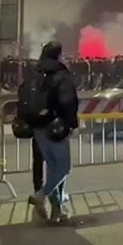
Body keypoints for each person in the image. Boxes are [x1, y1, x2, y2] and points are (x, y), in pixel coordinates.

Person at [23, 41, 79, 223]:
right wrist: (72, 125)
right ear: (59, 55)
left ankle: (56, 210)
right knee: (63, 167)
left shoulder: (34, 71)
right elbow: (68, 102)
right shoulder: (61, 74)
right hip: (54, 127)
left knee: (52, 166)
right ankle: (42, 195)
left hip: (37, 127)